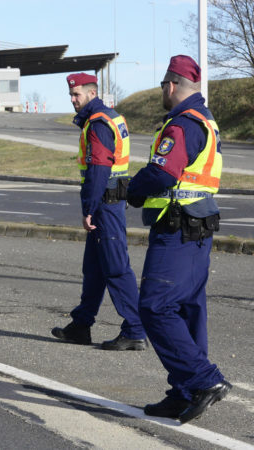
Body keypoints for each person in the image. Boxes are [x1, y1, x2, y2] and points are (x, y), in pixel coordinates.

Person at [127, 55, 230, 423]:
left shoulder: (181, 125)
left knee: (154, 306)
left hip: (176, 231)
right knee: (188, 310)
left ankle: (203, 380)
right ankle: (184, 391)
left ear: (171, 85)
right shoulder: (206, 121)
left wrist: (134, 188)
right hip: (197, 231)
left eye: (161, 86)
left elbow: (164, 173)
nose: (161, 92)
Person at [51, 73, 147, 351]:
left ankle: (135, 330)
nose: (72, 100)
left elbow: (98, 170)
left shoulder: (98, 124)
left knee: (116, 268)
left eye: (76, 95)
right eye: (71, 95)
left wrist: (89, 209)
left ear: (92, 93)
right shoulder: (109, 117)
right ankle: (81, 326)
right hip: (108, 203)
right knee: (93, 269)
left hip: (105, 205)